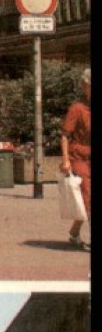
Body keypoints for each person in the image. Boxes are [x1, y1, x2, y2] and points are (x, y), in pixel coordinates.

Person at [60, 67, 91, 249]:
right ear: (85, 86)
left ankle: (74, 232)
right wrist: (65, 160)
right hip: (79, 156)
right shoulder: (77, 108)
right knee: (87, 195)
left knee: (85, 201)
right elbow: (65, 135)